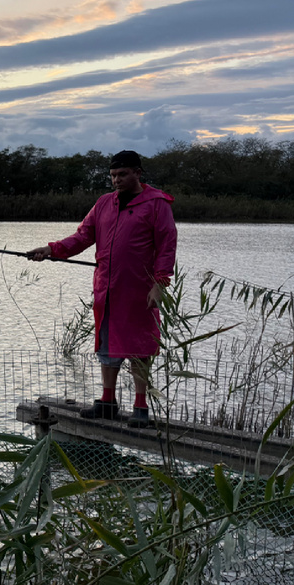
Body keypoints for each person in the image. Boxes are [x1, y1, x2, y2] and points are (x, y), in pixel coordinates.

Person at [27, 150, 177, 426]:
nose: (116, 180)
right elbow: (83, 236)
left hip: (140, 290)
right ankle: (107, 401)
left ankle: (140, 408)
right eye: (112, 176)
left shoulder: (157, 204)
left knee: (140, 348)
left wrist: (160, 284)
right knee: (107, 347)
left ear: (138, 173)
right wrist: (51, 249)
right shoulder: (104, 203)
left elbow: (167, 247)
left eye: (122, 175)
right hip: (107, 289)